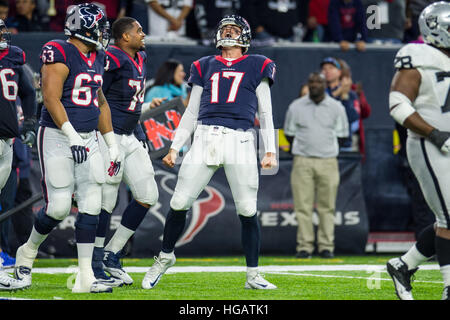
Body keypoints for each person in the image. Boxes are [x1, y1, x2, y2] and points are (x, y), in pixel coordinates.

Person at [141, 14, 278, 290]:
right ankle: (166, 256)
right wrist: (175, 146)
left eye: (234, 29)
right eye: (224, 28)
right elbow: (191, 112)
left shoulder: (259, 64)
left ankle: (253, 274)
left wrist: (270, 150)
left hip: (240, 140)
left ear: (245, 37)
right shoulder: (203, 65)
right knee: (179, 202)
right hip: (205, 137)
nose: (228, 32)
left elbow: (265, 111)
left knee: (248, 210)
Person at [13, 3, 120, 294]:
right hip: (59, 136)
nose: (104, 32)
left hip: (89, 137)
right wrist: (71, 134)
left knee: (91, 204)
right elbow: (50, 97)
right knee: (59, 207)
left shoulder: (97, 56)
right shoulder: (58, 51)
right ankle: (27, 253)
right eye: (100, 25)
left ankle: (86, 277)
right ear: (84, 27)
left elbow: (100, 102)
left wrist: (112, 144)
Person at [386, 2, 450, 300]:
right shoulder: (420, 55)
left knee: (445, 220)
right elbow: (398, 104)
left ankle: (403, 265)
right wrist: (434, 133)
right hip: (427, 143)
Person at [91, 16, 159, 287]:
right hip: (110, 136)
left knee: (148, 195)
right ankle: (95, 261)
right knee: (107, 200)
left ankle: (111, 253)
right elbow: (94, 95)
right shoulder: (112, 57)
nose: (143, 34)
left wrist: (139, 133)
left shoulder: (139, 58)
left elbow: (134, 104)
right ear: (124, 37)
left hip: (130, 135)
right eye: (138, 31)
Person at [284, 72, 349, 259]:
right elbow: (289, 134)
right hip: (302, 160)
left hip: (328, 161)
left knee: (327, 206)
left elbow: (343, 136)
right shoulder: (296, 107)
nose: (314, 85)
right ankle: (304, 247)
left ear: (325, 85)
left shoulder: (336, 107)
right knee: (302, 206)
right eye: (311, 81)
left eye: (318, 82)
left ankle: (326, 246)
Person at [0, 17, 36, 290]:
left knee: (3, 204)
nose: (3, 34)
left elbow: (27, 91)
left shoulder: (13, 57)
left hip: (8, 141)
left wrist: (31, 122)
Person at [320, 57, 359, 152]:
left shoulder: (350, 94)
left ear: (339, 72)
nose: (327, 71)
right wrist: (338, 93)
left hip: (344, 145)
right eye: (324, 69)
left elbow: (354, 118)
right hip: (323, 144)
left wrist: (344, 96)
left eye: (331, 68)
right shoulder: (318, 93)